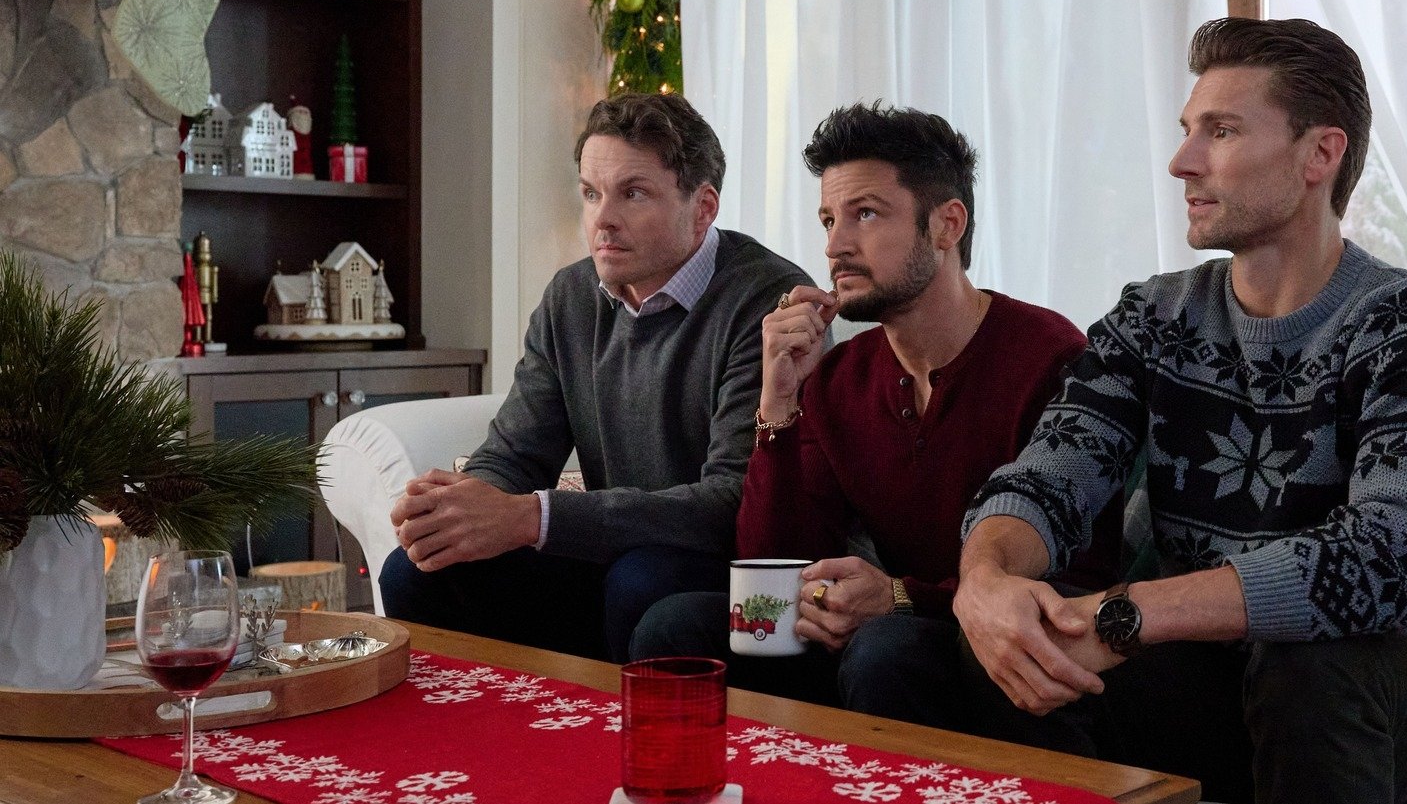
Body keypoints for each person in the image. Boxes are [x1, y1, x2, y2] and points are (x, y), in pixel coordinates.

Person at [955, 18, 1407, 804]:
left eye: (1220, 131)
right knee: (981, 651)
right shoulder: (1154, 317)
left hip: (1398, 694)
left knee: (1309, 661)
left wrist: (1128, 613)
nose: (1181, 161)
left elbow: (1401, 556)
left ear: (1320, 154)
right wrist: (986, 581)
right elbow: (1050, 475)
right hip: (1213, 679)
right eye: (1189, 130)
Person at [631, 103, 1120, 725]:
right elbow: (776, 574)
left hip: (992, 643)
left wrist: (900, 599)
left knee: (884, 652)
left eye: (865, 214)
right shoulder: (840, 375)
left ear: (946, 225)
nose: (835, 245)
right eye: (828, 219)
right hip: (879, 630)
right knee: (674, 624)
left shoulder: (1049, 355)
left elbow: (1080, 577)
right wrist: (778, 404)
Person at [381, 92, 812, 662]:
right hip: (616, 550)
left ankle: (604, 720)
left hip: (727, 562)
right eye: (591, 193)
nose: (602, 219)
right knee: (417, 570)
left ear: (703, 208)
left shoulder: (766, 301)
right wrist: (460, 506)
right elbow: (515, 455)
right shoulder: (571, 296)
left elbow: (728, 503)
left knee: (641, 579)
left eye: (632, 194)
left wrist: (532, 517)